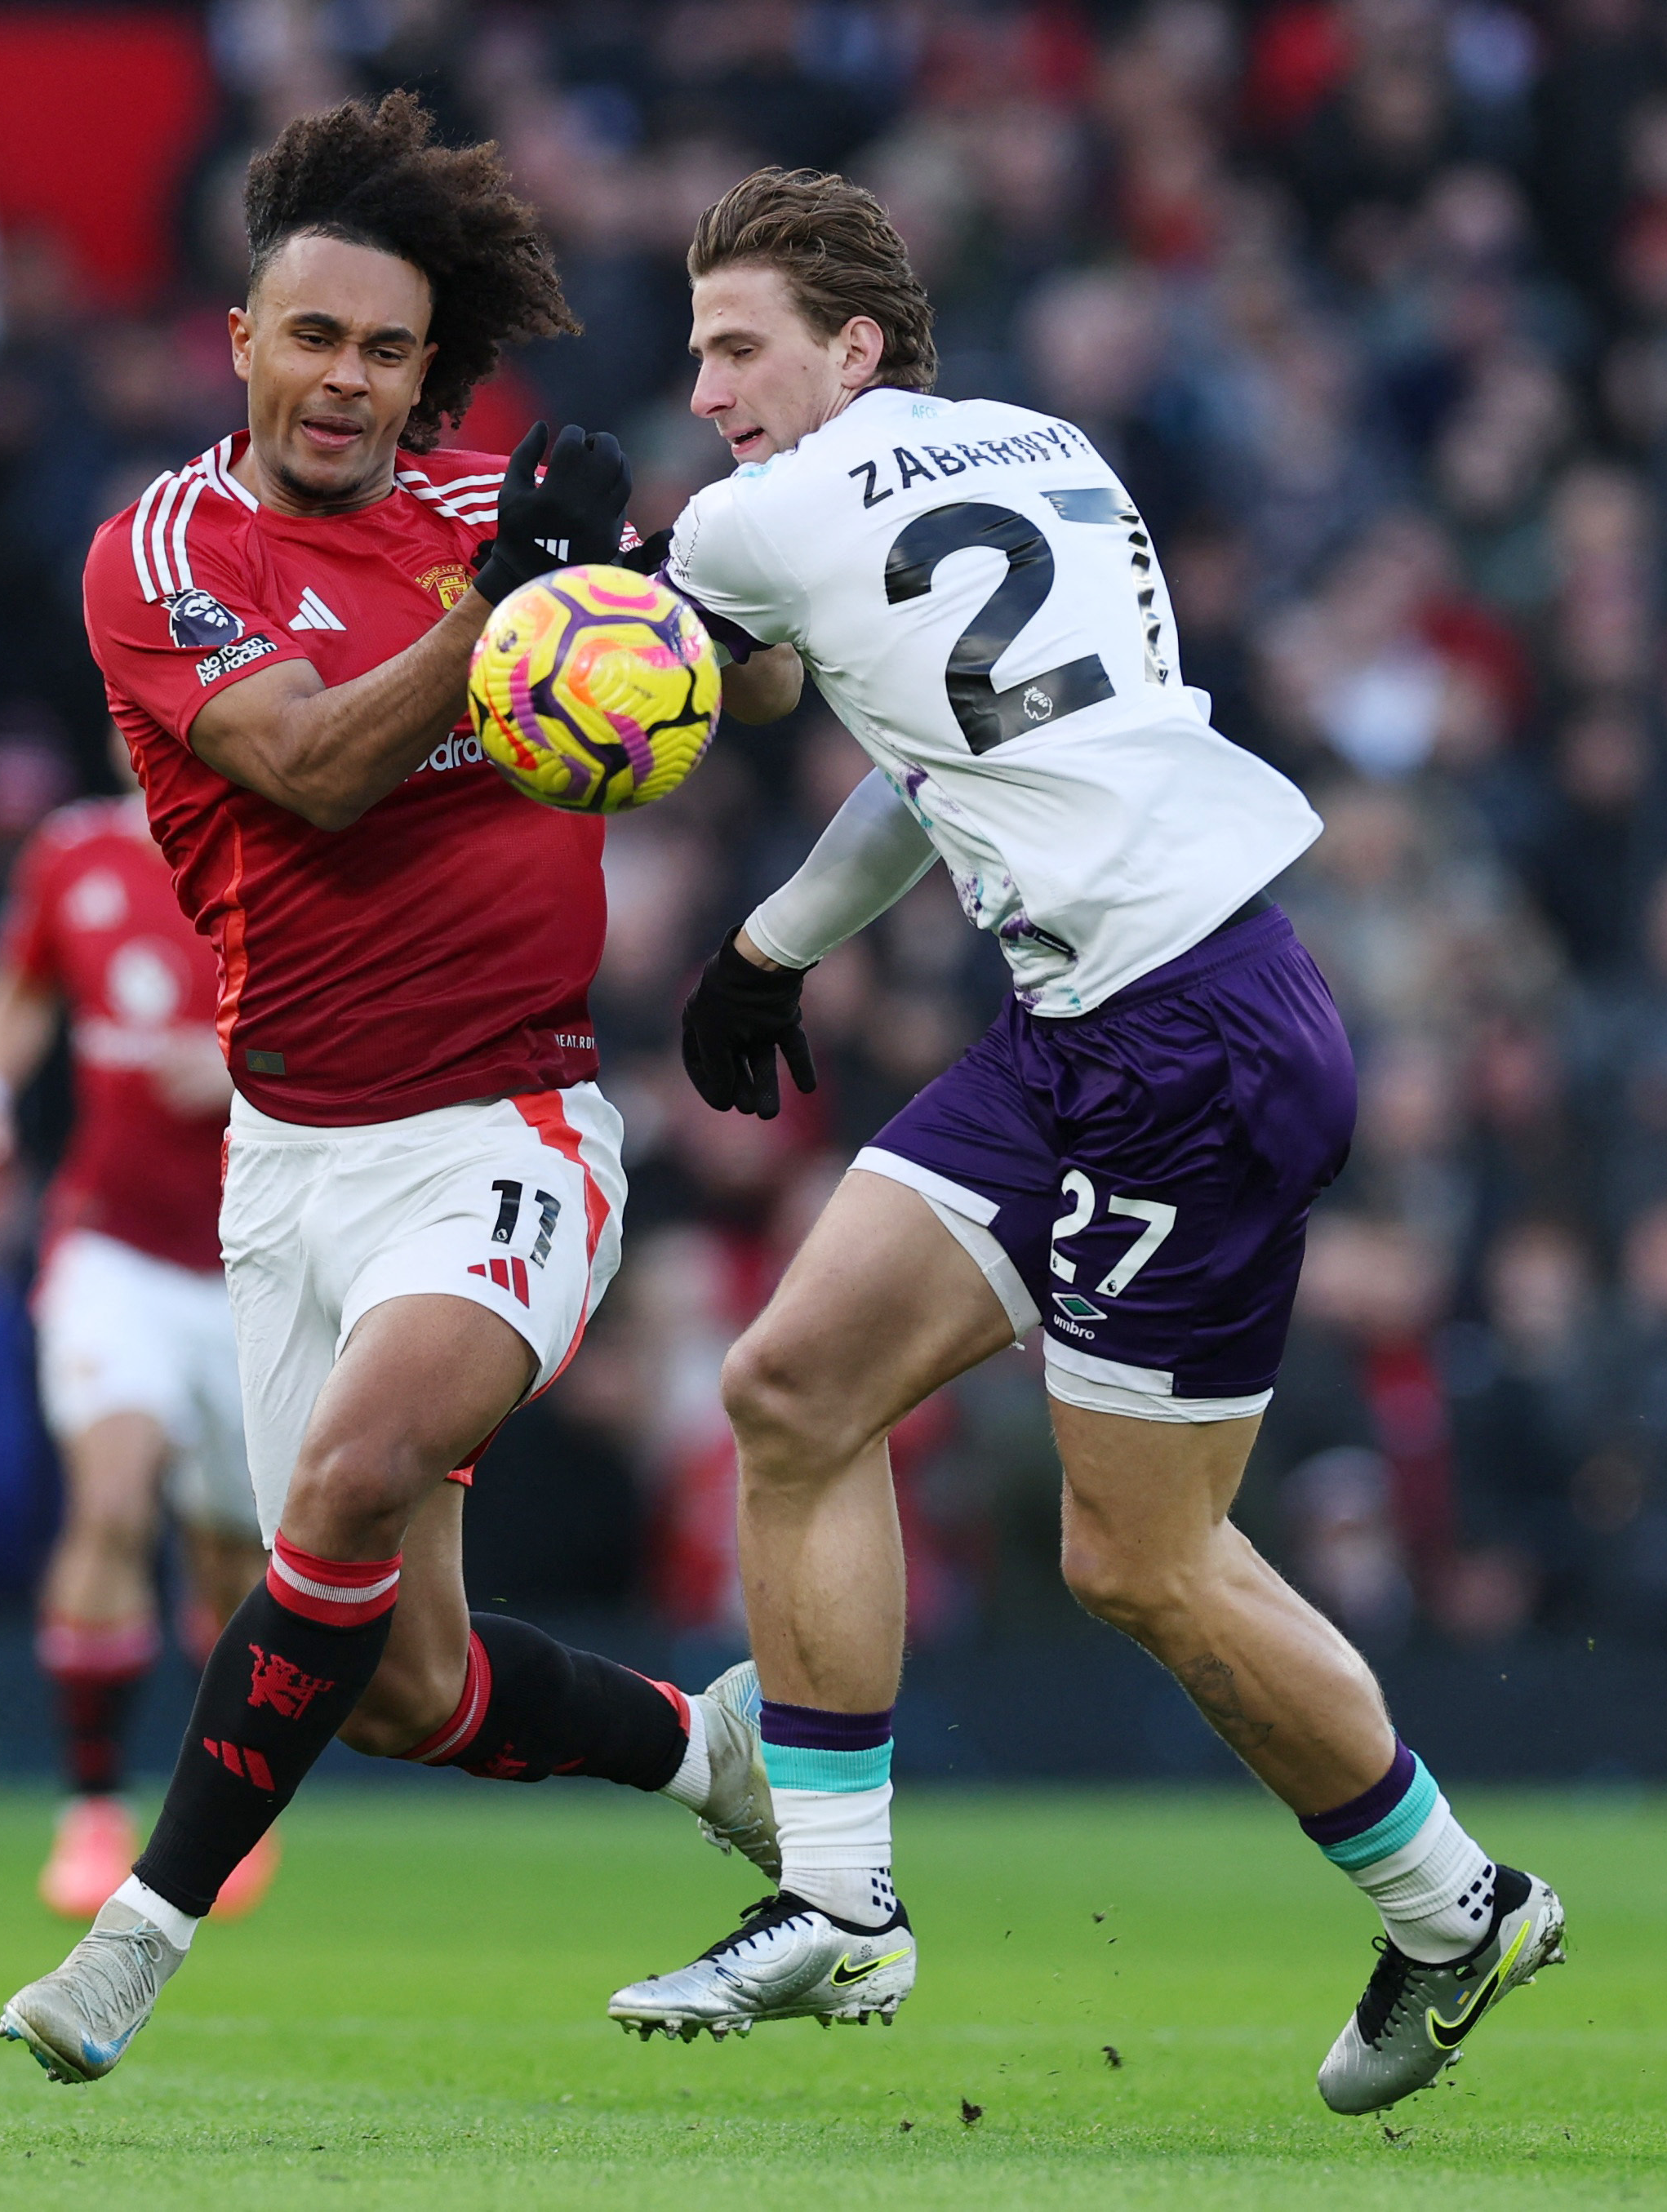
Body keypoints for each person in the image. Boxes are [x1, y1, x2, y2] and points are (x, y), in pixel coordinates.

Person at [606, 170, 1565, 2116]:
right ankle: (841, 1901)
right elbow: (929, 753)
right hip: (1103, 1011)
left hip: (1183, 1041)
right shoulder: (1046, 444)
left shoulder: (751, 513)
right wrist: (772, 945)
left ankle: (1459, 1902)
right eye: (697, 353)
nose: (706, 388)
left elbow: (632, 666)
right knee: (794, 1387)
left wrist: (543, 575)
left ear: (854, 346)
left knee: (1139, 1559)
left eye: (737, 348)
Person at [0, 92, 776, 2087]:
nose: (347, 379)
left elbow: (746, 677)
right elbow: (320, 765)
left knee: (336, 1489)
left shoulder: (483, 523)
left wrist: (687, 586)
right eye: (315, 336)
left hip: (506, 1128)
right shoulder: (162, 552)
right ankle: (712, 1750)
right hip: (292, 1157)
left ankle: (137, 1931)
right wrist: (505, 611)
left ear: (433, 373)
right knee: (405, 1678)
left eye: (388, 350)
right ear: (241, 340)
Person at [0, 784, 282, 1921]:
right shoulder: (73, 854)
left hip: (257, 1258)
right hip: (113, 1251)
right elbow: (19, 983)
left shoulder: (291, 843)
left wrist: (241, 1062)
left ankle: (214, 1810)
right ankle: (89, 1810)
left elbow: (378, 1017)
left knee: (231, 1560)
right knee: (111, 1501)